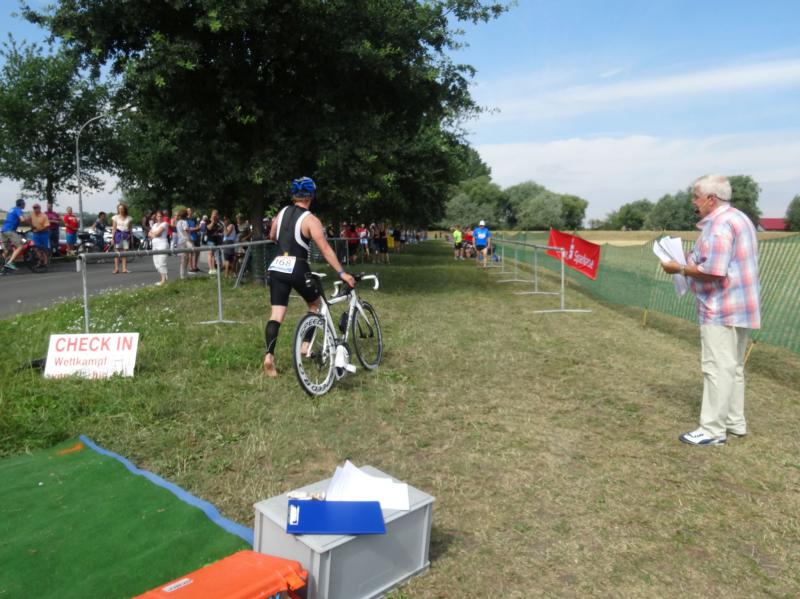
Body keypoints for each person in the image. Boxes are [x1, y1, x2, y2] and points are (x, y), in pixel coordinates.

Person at [660, 174, 761, 446]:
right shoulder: (739, 218)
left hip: (720, 306)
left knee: (716, 367)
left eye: (696, 197)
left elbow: (714, 271)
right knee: (733, 367)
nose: (694, 202)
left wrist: (679, 268)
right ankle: (734, 422)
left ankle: (712, 430)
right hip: (741, 305)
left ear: (711, 199)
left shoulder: (718, 226)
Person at [262, 176, 355, 378]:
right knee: (316, 304)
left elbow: (272, 236)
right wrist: (342, 272)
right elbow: (325, 249)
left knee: (276, 315)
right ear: (311, 196)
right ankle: (305, 345)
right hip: (297, 266)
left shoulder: (281, 212)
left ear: (294, 195)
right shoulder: (311, 220)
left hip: (277, 266)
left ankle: (269, 356)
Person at [1, 199, 30, 270]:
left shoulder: (12, 209)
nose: (25, 205)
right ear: (21, 204)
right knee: (21, 246)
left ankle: (1, 267)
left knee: (7, 251)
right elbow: (22, 219)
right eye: (24, 203)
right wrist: (29, 220)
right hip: (10, 231)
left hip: (3, 231)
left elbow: (12, 220)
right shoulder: (18, 210)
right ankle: (9, 263)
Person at [149, 209, 170, 285]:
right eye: (158, 216)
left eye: (161, 216)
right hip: (155, 245)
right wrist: (153, 234)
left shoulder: (165, 224)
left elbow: (158, 234)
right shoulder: (154, 225)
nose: (159, 218)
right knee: (156, 263)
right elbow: (149, 234)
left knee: (162, 262)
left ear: (163, 216)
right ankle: (164, 277)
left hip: (162, 245)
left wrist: (153, 234)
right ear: (156, 217)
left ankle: (163, 280)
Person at [111, 203, 133, 274]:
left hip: (126, 235)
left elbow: (130, 229)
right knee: (117, 252)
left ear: (124, 209)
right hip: (118, 235)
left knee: (125, 253)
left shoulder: (129, 218)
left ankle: (124, 268)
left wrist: (131, 237)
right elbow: (114, 228)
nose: (120, 210)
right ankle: (116, 269)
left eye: (122, 208)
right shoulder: (115, 217)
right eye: (119, 209)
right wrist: (112, 238)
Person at [174, 208, 193, 279]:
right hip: (185, 240)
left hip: (180, 241)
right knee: (186, 257)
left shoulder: (178, 222)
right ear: (186, 215)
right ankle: (183, 274)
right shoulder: (184, 222)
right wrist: (189, 240)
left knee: (184, 257)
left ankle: (183, 274)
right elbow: (185, 231)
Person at [206, 209, 224, 274]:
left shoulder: (218, 222)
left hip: (217, 240)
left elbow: (222, 228)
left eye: (216, 214)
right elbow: (209, 228)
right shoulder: (208, 221)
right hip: (210, 240)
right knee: (210, 254)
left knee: (214, 255)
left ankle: (213, 268)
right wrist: (213, 221)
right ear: (211, 214)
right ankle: (210, 268)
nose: (215, 216)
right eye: (214, 214)